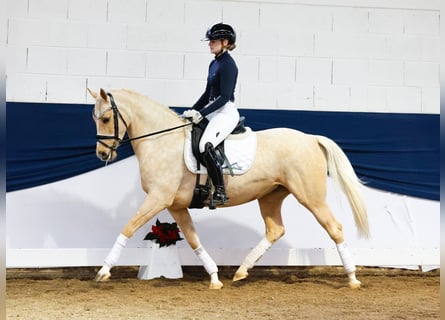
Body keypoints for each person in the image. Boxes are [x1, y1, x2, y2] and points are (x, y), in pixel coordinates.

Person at [183, 23, 240, 206]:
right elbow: (207, 94)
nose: (210, 44)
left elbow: (223, 97)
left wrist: (203, 113)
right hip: (213, 110)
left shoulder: (229, 65)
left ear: (225, 42)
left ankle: (221, 191)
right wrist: (192, 111)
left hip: (225, 112)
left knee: (205, 145)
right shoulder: (214, 63)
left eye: (213, 41)